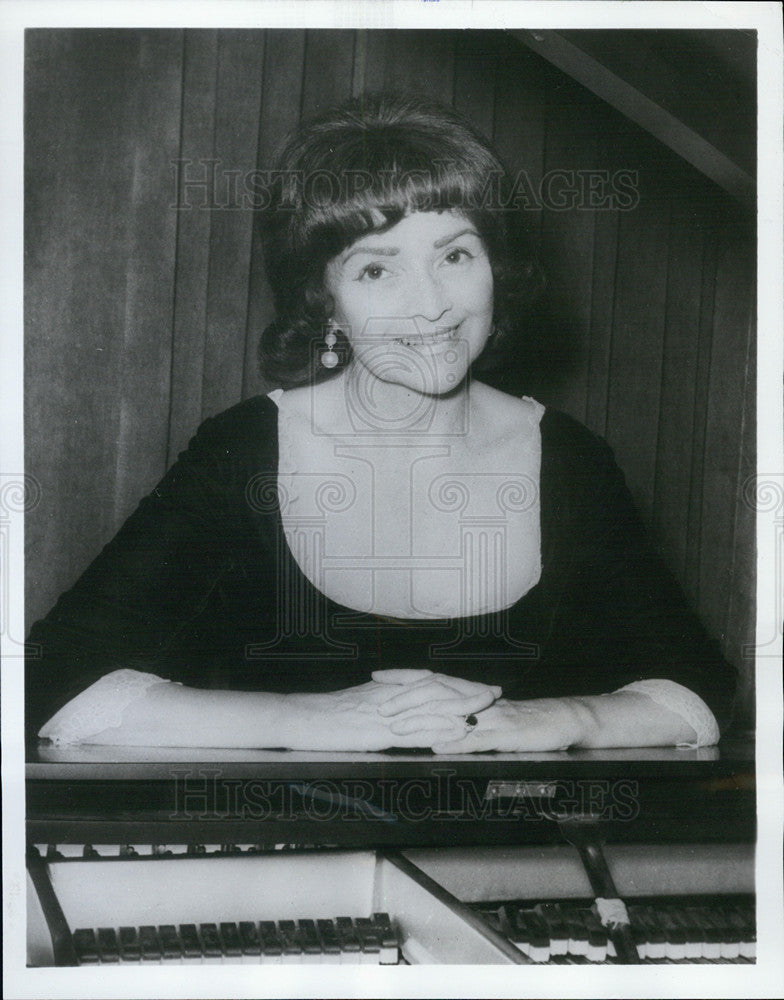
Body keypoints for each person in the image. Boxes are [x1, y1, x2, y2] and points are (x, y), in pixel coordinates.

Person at [26, 93, 735, 753]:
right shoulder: (243, 452)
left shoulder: (571, 458)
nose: (430, 306)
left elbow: (698, 689)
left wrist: (561, 718)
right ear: (323, 301)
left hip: (509, 857)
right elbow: (55, 682)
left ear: (496, 268)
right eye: (375, 271)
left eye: (456, 255)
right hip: (289, 865)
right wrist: (306, 719)